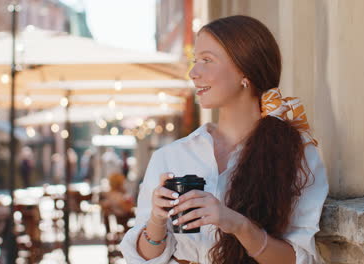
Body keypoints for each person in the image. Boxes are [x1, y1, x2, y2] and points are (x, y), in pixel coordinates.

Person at [120, 15, 329, 264]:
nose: (193, 73)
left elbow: (299, 259)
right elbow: (141, 259)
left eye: (206, 60)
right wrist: (156, 219)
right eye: (194, 61)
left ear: (245, 71)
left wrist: (237, 224)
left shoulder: (297, 156)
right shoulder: (171, 157)